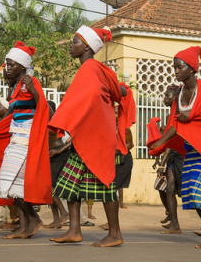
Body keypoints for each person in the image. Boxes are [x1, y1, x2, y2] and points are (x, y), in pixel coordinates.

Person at [149, 46, 201, 248]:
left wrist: (192, 117)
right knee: (190, 193)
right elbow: (175, 124)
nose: (176, 71)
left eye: (179, 67)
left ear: (192, 68)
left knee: (198, 191)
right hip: (191, 149)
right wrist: (160, 142)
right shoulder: (178, 92)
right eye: (174, 68)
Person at [0, 41, 52, 238]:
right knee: (14, 188)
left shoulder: (31, 82)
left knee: (8, 183)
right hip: (16, 136)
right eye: (6, 64)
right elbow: (12, 113)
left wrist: (33, 90)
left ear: (22, 66)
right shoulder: (15, 87)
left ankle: (34, 219)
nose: (7, 68)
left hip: (26, 139)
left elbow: (44, 109)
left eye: (11, 64)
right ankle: (24, 227)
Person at [48, 26, 123, 247]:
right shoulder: (91, 69)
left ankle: (115, 234)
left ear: (87, 46)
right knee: (70, 186)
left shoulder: (90, 68)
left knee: (106, 185)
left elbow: (89, 98)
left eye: (75, 42)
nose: (71, 46)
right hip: (86, 136)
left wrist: (69, 117)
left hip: (96, 136)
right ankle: (74, 230)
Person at [150, 85, 184, 234]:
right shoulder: (171, 114)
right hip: (173, 156)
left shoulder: (178, 113)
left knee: (190, 191)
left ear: (175, 98)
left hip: (182, 155)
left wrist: (162, 163)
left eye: (167, 96)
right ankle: (175, 224)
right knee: (169, 189)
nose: (164, 98)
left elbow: (171, 141)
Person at [43, 100, 70, 229]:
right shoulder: (43, 122)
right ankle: (56, 219)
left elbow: (76, 136)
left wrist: (61, 149)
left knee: (50, 188)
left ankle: (64, 213)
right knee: (48, 188)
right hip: (49, 155)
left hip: (58, 155)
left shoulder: (55, 119)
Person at [114, 82, 136, 209]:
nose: (116, 112)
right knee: (113, 186)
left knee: (117, 185)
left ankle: (120, 204)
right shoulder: (110, 126)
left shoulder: (125, 128)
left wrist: (118, 149)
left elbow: (130, 144)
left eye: (118, 110)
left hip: (122, 159)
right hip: (112, 159)